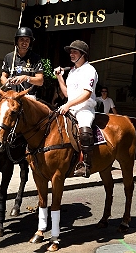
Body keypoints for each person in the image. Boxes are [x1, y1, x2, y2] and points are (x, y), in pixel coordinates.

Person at [54, 40, 98, 178]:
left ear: (83, 54)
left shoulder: (90, 70)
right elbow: (67, 94)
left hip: (85, 108)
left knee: (84, 131)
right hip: (71, 108)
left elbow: (86, 94)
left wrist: (67, 105)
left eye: (75, 52)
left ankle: (85, 164)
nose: (71, 54)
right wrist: (59, 77)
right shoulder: (72, 71)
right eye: (71, 52)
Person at [0, 27, 43, 98]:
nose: (24, 43)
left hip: (28, 96)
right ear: (17, 41)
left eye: (27, 40)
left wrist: (26, 78)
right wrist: (7, 82)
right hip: (12, 95)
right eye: (21, 39)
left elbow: (40, 81)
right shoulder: (9, 57)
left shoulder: (36, 58)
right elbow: (3, 77)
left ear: (30, 42)